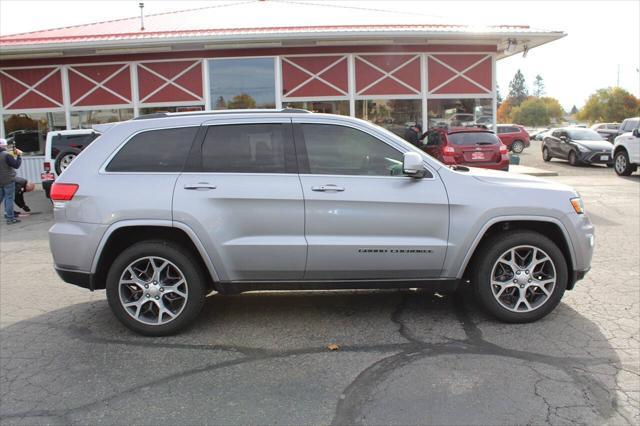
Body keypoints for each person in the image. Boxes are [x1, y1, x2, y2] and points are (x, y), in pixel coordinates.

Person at [0, 138, 23, 224]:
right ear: (4, 146)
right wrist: (19, 156)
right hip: (8, 179)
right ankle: (10, 218)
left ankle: (8, 214)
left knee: (1, 198)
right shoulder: (6, 155)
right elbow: (16, 165)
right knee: (9, 198)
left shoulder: (6, 154)